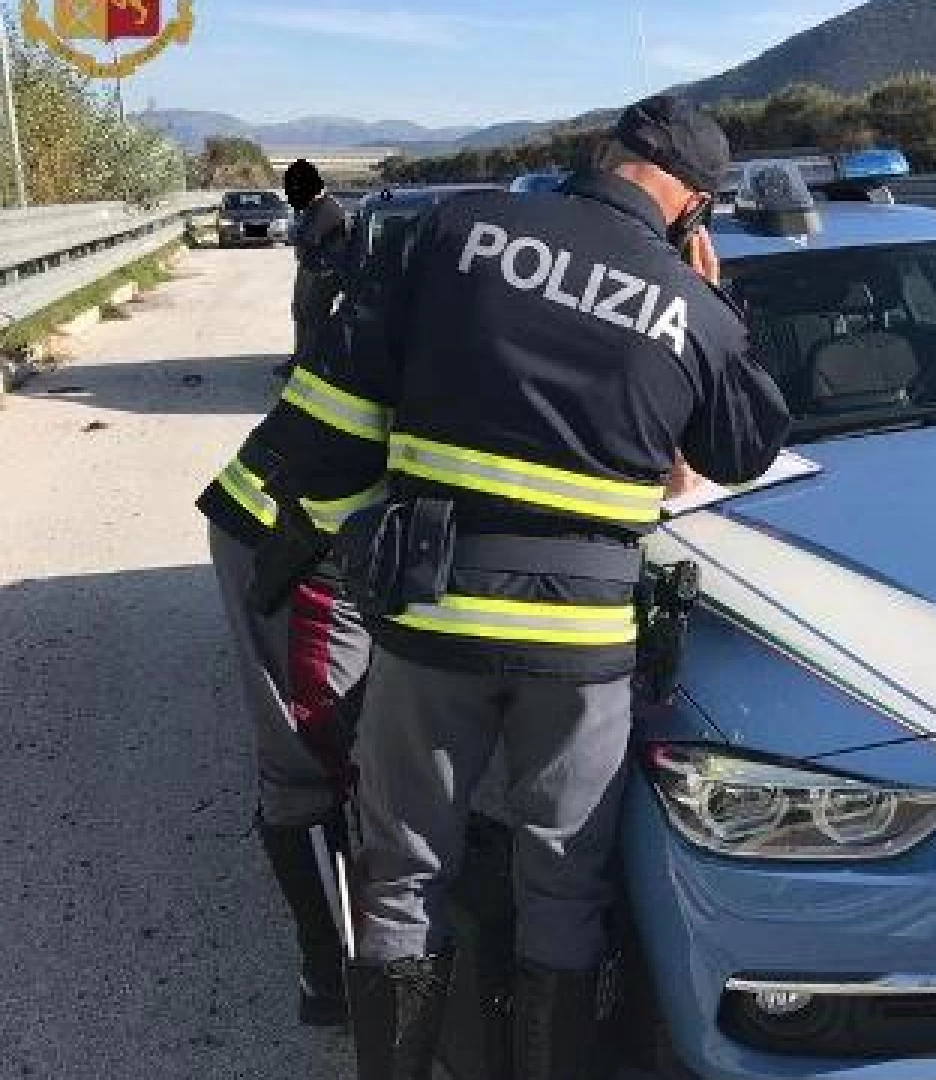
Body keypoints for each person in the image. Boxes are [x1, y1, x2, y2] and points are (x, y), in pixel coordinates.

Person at [343, 96, 790, 1080]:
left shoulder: (460, 226)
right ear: (696, 209)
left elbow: (362, 368)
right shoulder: (689, 303)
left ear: (606, 153)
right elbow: (747, 446)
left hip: (432, 613)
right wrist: (719, 310)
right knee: (562, 887)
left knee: (403, 876)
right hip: (578, 645)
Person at [197, 309, 393, 1026]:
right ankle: (333, 976)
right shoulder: (468, 316)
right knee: (313, 756)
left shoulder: (465, 280)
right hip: (295, 539)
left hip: (332, 527)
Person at [284, 159, 350, 378]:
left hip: (323, 273)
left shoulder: (328, 208)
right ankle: (297, 360)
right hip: (309, 268)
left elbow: (307, 237)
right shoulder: (312, 208)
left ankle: (308, 366)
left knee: (313, 319)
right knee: (300, 313)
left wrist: (295, 233)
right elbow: (298, 234)